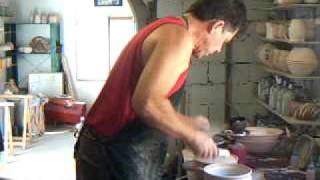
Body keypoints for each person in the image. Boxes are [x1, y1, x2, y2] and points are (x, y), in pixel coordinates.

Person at [74, 0, 247, 179]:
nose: (219, 49)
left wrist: (186, 122)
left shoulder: (169, 28)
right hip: (110, 153)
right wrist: (193, 136)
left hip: (109, 147)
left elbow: (151, 98)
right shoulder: (179, 38)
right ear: (217, 26)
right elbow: (147, 103)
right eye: (224, 42)